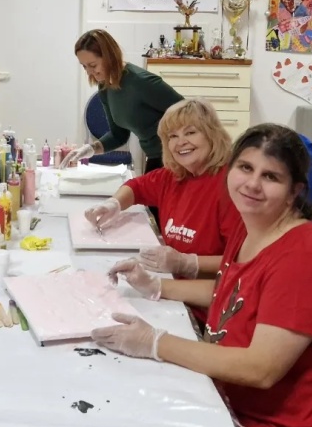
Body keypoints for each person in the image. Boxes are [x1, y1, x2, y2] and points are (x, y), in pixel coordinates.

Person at [91, 124, 312, 427]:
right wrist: (157, 286)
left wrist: (155, 343)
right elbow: (237, 293)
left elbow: (260, 369)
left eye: (270, 176)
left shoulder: (304, 259)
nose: (252, 184)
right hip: (247, 407)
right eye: (245, 168)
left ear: (294, 192)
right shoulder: (254, 225)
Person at [83, 99, 242, 321]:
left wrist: (188, 263)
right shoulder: (173, 177)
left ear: (212, 134)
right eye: (172, 136)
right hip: (174, 292)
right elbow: (137, 187)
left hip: (212, 307)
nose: (181, 142)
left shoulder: (231, 188)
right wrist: (114, 204)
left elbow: (242, 264)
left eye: (190, 132)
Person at [62, 29, 182, 171]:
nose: (88, 72)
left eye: (93, 65)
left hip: (177, 157)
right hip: (155, 157)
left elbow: (190, 113)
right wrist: (91, 149)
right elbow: (118, 135)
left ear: (109, 57)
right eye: (84, 66)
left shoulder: (140, 81)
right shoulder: (105, 88)